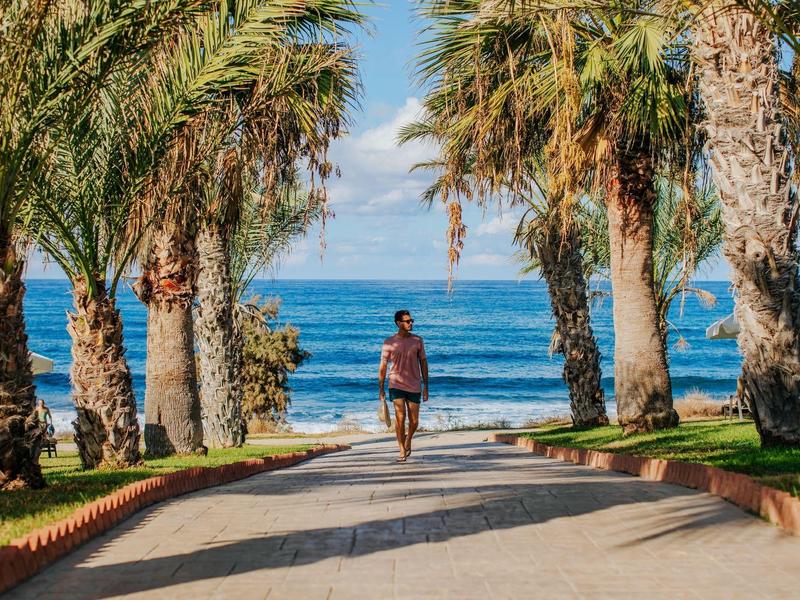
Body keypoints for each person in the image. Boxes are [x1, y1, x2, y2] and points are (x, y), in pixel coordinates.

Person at [378, 310, 428, 462]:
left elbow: (424, 363)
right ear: (398, 323)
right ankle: (401, 448)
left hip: (414, 384)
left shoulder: (418, 340)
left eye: (411, 320)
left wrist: (426, 385)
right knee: (400, 418)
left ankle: (408, 440)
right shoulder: (388, 342)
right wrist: (381, 387)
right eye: (407, 321)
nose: (411, 323)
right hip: (396, 384)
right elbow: (383, 365)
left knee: (414, 422)